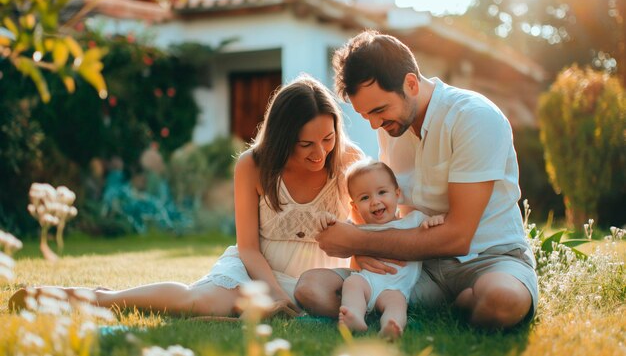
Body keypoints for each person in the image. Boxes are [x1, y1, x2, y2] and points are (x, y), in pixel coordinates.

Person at [9, 75, 361, 317]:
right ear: (284, 138)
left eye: (327, 139)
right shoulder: (252, 165)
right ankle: (91, 298)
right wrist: (276, 295)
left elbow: (370, 229)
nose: (320, 153)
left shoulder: (349, 162)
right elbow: (248, 247)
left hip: (319, 280)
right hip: (257, 270)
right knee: (198, 303)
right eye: (306, 144)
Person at [295, 30, 538, 329]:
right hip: (416, 266)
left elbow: (458, 237)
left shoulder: (474, 118)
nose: (374, 124)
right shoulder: (391, 128)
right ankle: (401, 311)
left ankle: (441, 305)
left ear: (411, 83)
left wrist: (356, 240)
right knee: (311, 287)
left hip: (488, 258)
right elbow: (388, 208)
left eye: (379, 110)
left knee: (504, 301)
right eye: (365, 114)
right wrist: (362, 248)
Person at [338, 159, 444, 340]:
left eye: (382, 192)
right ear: (355, 206)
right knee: (352, 283)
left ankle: (390, 326)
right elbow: (343, 241)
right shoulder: (361, 231)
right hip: (368, 282)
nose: (375, 201)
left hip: (396, 288)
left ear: (397, 194)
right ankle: (355, 315)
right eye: (365, 197)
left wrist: (435, 220)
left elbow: (440, 226)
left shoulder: (412, 221)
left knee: (397, 305)